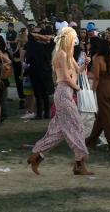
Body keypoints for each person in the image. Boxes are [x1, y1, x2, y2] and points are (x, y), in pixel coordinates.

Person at [28, 27, 92, 175]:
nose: (75, 42)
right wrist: (78, 88)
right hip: (63, 94)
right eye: (73, 39)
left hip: (67, 94)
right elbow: (64, 77)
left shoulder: (68, 56)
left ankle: (37, 156)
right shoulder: (61, 55)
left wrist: (86, 63)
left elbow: (78, 71)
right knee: (77, 127)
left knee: (59, 131)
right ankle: (79, 163)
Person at [86, 32, 110, 150]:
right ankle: (90, 141)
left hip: (102, 89)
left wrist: (93, 90)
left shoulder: (97, 59)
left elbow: (96, 77)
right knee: (102, 116)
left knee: (106, 118)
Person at [25, 26, 54, 120]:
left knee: (38, 94)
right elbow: (53, 38)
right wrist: (45, 37)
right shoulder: (49, 46)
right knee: (45, 93)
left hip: (35, 72)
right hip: (45, 72)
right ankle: (46, 113)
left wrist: (39, 35)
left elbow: (30, 35)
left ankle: (39, 114)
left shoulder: (32, 45)